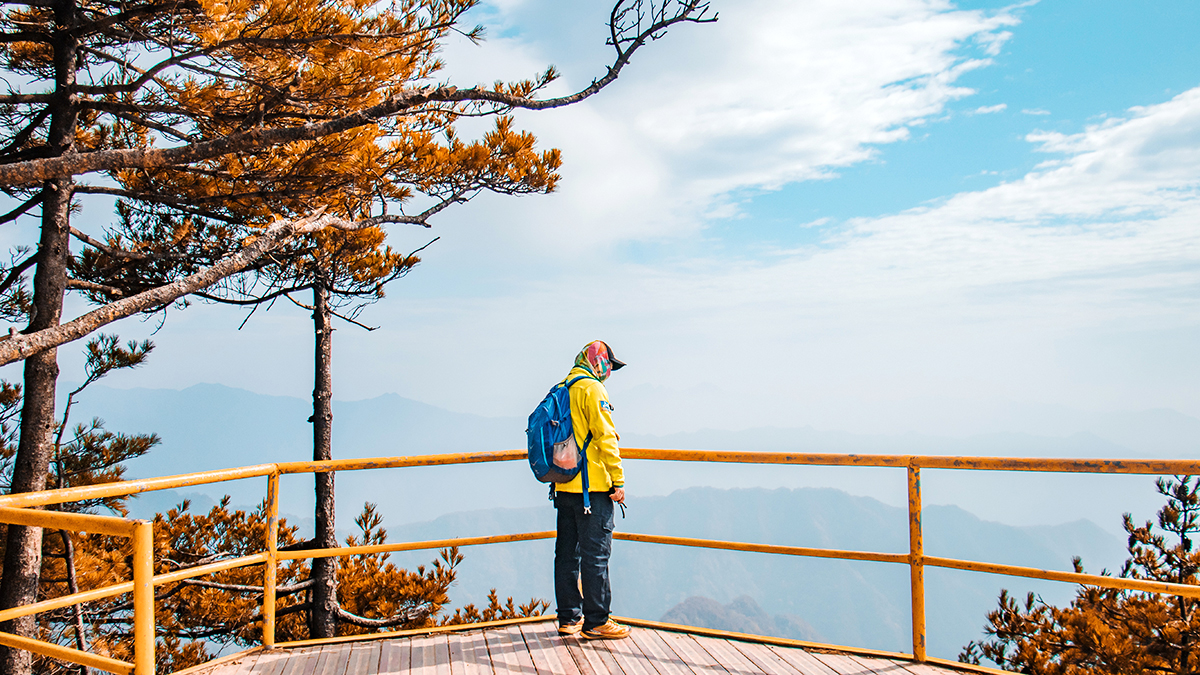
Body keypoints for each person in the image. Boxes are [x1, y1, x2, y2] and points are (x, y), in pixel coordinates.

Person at [554, 340, 630, 640]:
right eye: (609, 365)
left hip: (563, 484)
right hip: (592, 488)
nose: (610, 371)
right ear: (599, 361)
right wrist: (618, 480)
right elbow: (605, 437)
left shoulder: (564, 386)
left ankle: (568, 617)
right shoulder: (592, 390)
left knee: (566, 555)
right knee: (596, 555)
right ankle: (597, 620)